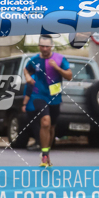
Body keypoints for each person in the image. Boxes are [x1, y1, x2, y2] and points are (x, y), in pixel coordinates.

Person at [23, 35, 72, 166]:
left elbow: (69, 76)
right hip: (39, 95)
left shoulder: (60, 59)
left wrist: (57, 68)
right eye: (42, 46)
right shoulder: (34, 60)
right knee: (45, 122)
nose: (44, 49)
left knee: (51, 127)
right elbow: (26, 69)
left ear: (51, 46)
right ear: (39, 46)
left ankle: (46, 152)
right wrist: (28, 77)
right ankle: (44, 155)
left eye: (47, 46)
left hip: (55, 96)